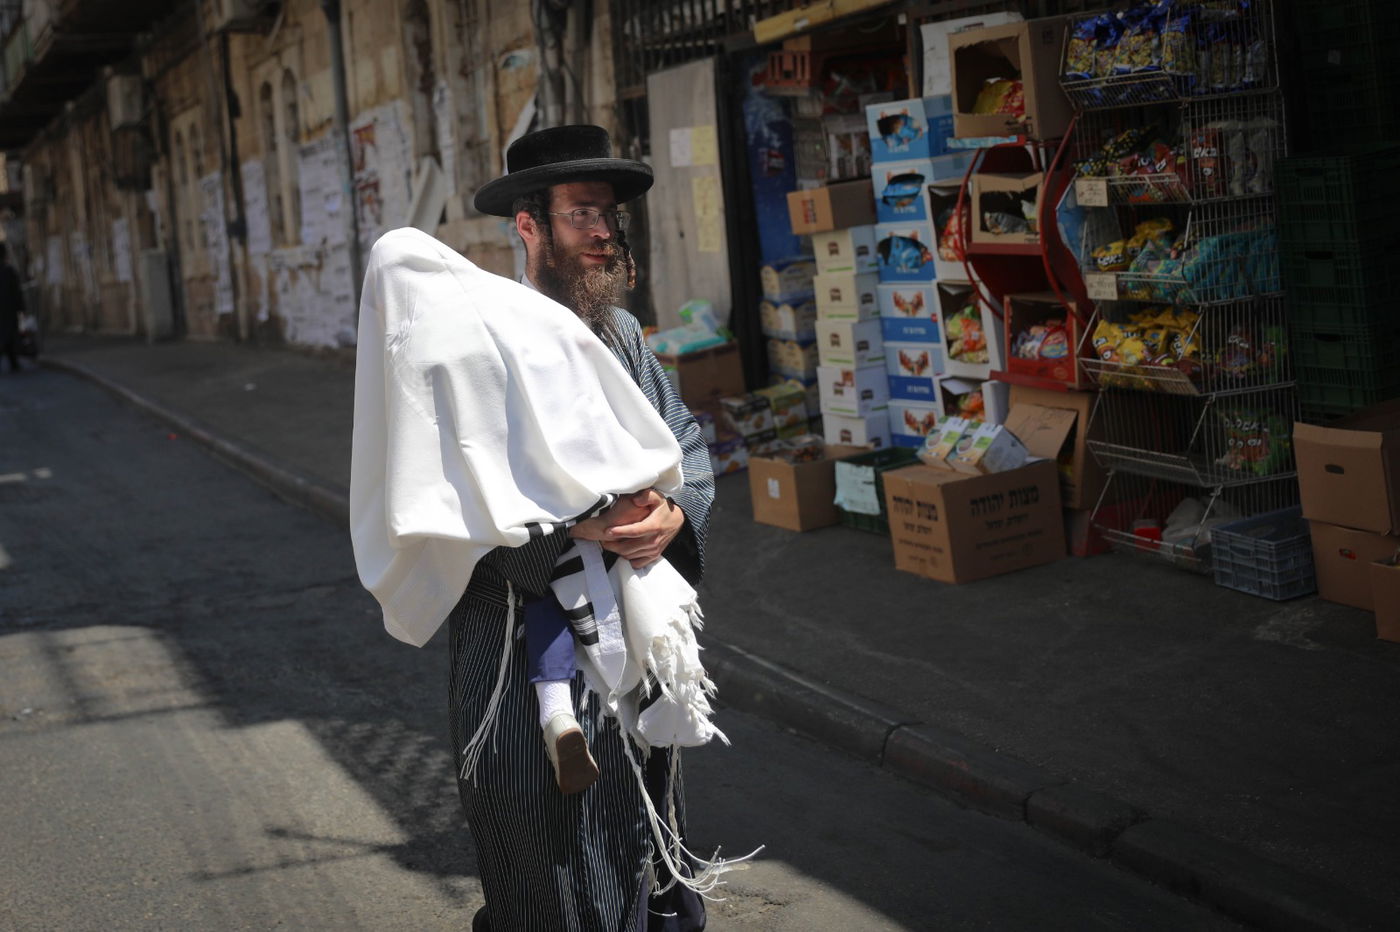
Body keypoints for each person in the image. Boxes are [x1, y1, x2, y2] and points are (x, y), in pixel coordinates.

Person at [350, 124, 721, 931]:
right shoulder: (469, 353)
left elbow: (684, 448)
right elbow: (440, 510)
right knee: (541, 857)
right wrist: (571, 533)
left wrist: (672, 514)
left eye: (609, 214)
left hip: (631, 642)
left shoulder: (621, 336)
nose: (604, 232)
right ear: (529, 225)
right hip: (515, 655)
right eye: (582, 213)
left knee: (642, 842)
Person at [0, 242, 23, 373]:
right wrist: (21, 308)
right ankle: (13, 361)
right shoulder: (8, 271)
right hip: (9, 310)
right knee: (9, 335)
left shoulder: (9, 271)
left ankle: (13, 361)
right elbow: (16, 291)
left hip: (6, 310)